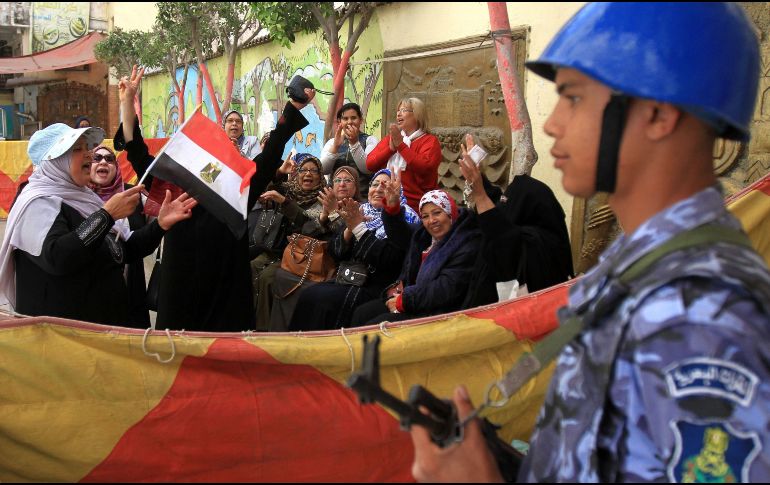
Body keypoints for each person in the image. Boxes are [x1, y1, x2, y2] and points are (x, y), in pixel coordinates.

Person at [410, 3, 770, 482]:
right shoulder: (641, 267)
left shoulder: (704, 319)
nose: (554, 123)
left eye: (574, 98)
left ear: (658, 113)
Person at [116, 65, 316, 332]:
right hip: (180, 300)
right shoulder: (172, 188)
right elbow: (135, 149)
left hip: (226, 301)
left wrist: (294, 106)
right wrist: (127, 101)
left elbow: (271, 152)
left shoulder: (239, 189)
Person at [0, 124, 196, 325]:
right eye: (77, 149)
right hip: (62, 343)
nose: (88, 155)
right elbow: (58, 257)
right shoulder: (36, 202)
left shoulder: (85, 200)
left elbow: (124, 250)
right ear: (54, 162)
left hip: (99, 337)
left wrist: (160, 225)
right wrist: (107, 215)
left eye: (87, 147)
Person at [289, 168, 419, 331]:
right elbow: (335, 252)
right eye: (375, 184)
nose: (378, 189)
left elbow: (388, 260)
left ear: (397, 191)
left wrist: (357, 226)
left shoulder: (405, 217)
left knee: (323, 301)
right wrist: (349, 228)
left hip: (376, 285)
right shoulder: (360, 210)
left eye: (385, 185)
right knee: (308, 295)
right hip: (348, 278)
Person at [459, 133, 573, 307]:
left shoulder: (541, 243)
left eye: (511, 203)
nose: (506, 209)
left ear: (529, 207)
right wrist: (478, 179)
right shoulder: (525, 220)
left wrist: (480, 195)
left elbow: (504, 238)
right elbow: (501, 212)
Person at [352, 185, 488, 325]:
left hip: (438, 313)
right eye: (425, 216)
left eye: (437, 213)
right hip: (414, 301)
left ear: (450, 213)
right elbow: (399, 233)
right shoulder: (424, 237)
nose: (432, 220)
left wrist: (404, 301)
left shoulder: (466, 243)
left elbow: (445, 288)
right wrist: (392, 208)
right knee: (362, 313)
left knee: (372, 326)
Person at [268, 165, 361, 330]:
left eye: (348, 180)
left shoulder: (359, 208)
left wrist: (333, 214)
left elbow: (342, 246)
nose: (342, 184)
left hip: (338, 267)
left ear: (356, 187)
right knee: (280, 276)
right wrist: (324, 216)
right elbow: (306, 230)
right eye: (337, 180)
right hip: (313, 262)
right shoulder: (321, 205)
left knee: (309, 290)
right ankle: (279, 331)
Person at [251, 153, 328, 329]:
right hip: (274, 247)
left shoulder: (322, 199)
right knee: (251, 266)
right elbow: (262, 189)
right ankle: (249, 319)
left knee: (267, 277)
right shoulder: (289, 189)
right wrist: (279, 173)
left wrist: (285, 202)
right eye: (303, 170)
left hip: (298, 255)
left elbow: (309, 224)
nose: (308, 174)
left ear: (320, 175)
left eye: (313, 171)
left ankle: (262, 328)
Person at [89, 144, 152, 327]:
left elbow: (149, 228)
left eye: (109, 159)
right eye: (97, 158)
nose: (103, 162)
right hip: (95, 290)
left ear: (116, 167)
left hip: (131, 283)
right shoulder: (78, 198)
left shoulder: (134, 194)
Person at [366, 98, 442, 212]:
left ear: (417, 115)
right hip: (386, 203)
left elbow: (425, 168)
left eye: (404, 110)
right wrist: (391, 149)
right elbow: (370, 164)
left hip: (417, 207)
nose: (398, 113)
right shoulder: (391, 139)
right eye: (398, 110)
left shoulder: (429, 141)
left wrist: (401, 146)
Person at [320, 102, 379, 198]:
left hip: (362, 198)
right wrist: (335, 147)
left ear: (361, 120)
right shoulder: (332, 142)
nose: (349, 122)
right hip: (335, 199)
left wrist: (354, 143)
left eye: (353, 118)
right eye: (345, 119)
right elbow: (323, 170)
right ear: (339, 122)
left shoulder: (370, 140)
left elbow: (367, 168)